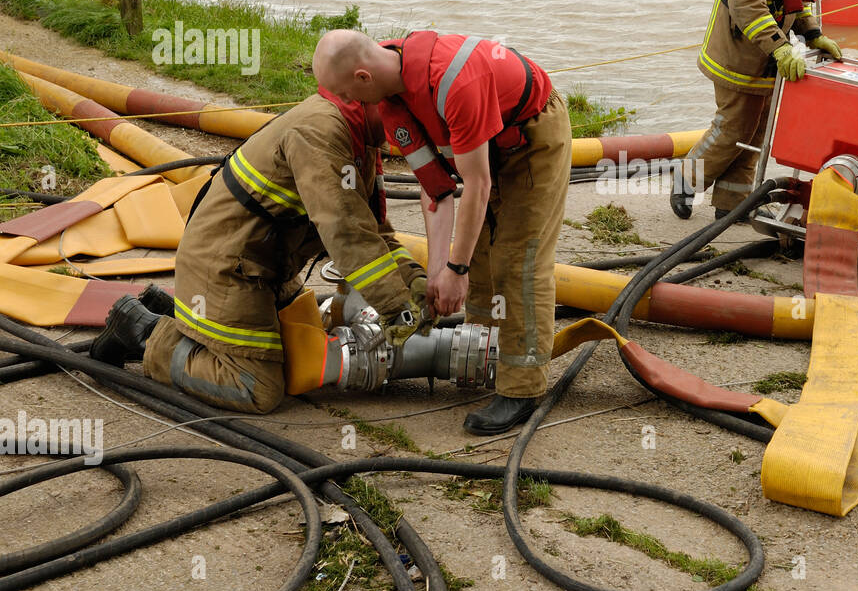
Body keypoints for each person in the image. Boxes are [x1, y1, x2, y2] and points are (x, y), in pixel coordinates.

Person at [90, 92, 429, 412]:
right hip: (227, 268)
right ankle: (142, 331)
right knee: (258, 387)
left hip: (263, 266)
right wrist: (398, 310)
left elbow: (376, 232)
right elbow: (347, 236)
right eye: (408, 120)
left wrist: (417, 284)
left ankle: (167, 309)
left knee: (300, 348)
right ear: (377, 94)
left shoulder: (358, 132)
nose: (407, 133)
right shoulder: (321, 134)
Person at [312, 29, 571, 435]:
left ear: (364, 77)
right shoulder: (394, 104)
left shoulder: (456, 81)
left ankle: (522, 388)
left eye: (346, 94)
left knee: (517, 259)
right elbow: (437, 192)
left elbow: (478, 184)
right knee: (481, 254)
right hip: (491, 151)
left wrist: (457, 268)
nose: (349, 104)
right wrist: (438, 275)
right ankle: (486, 356)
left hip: (531, 137)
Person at [672, 0, 842, 220]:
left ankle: (730, 206)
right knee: (733, 127)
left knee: (757, 131)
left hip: (766, 56)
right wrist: (781, 48)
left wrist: (812, 34)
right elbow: (746, 2)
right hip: (739, 54)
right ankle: (686, 180)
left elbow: (795, 0)